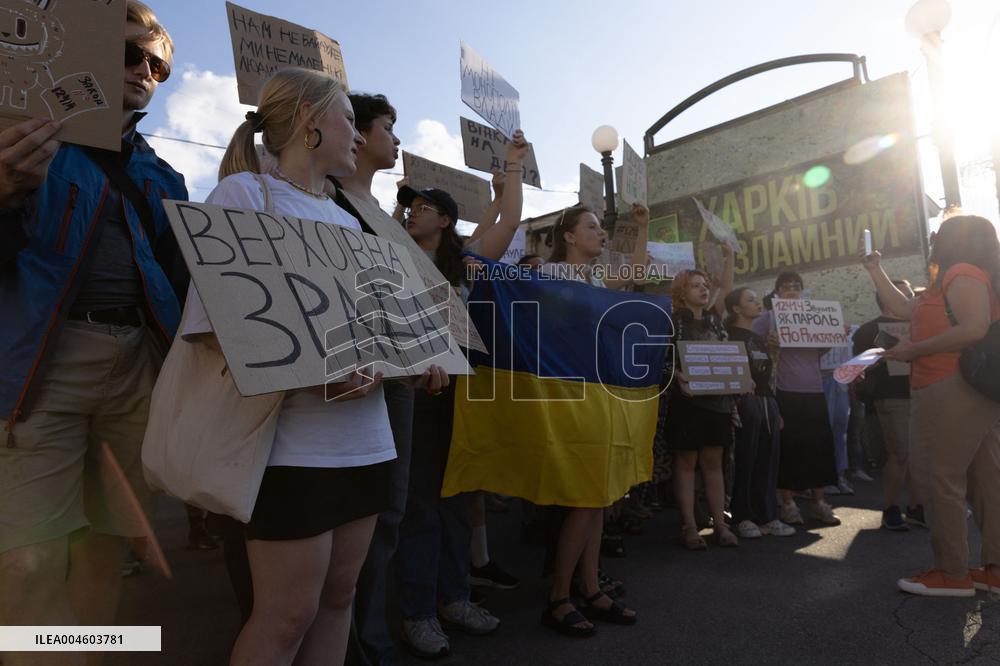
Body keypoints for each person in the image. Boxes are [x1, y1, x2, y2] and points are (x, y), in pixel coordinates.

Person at [183, 69, 448, 664]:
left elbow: (377, 332)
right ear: (309, 122)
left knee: (338, 600)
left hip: (368, 443)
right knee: (285, 616)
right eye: (348, 121)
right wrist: (312, 372)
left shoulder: (352, 221)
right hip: (290, 451)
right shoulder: (245, 196)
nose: (356, 134)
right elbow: (210, 328)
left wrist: (411, 361)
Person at [0, 4, 187, 661]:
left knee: (109, 548)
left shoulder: (164, 177)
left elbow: (190, 293)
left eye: (157, 64)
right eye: (129, 54)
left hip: (138, 368)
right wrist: (6, 191)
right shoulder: (19, 140)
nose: (145, 72)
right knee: (25, 562)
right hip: (37, 369)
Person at [393, 132, 527, 658]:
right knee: (420, 506)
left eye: (423, 208)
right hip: (414, 392)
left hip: (459, 393)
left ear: (444, 220)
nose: (412, 216)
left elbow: (509, 223)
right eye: (409, 208)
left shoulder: (465, 264)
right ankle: (417, 612)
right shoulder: (390, 254)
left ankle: (454, 597)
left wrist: (512, 168)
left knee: (454, 498)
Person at [863, 214, 1000, 597]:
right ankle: (993, 569)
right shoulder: (956, 278)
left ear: (957, 240)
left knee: (941, 478)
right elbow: (903, 307)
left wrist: (913, 350)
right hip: (967, 390)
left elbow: (973, 328)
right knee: (985, 477)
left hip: (948, 385)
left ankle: (952, 573)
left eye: (940, 231)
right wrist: (875, 270)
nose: (934, 236)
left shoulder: (963, 272)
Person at [329, 92, 418, 666]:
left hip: (400, 378)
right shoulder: (326, 204)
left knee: (388, 514)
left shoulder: (384, 217)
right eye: (389, 127)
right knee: (345, 521)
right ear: (358, 135)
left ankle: (369, 638)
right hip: (350, 378)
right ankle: (348, 645)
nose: (397, 139)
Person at [534, 203, 649, 637]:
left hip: (601, 393)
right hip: (569, 395)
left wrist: (641, 229)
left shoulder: (597, 280)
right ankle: (558, 597)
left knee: (598, 495)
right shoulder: (549, 277)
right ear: (567, 236)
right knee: (584, 496)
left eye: (602, 229)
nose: (601, 234)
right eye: (592, 227)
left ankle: (589, 585)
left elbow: (636, 273)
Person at [753, 272, 841, 526]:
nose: (791, 289)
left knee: (818, 447)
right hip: (785, 389)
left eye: (796, 286)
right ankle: (788, 503)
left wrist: (832, 335)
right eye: (785, 286)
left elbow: (821, 350)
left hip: (814, 389)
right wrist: (767, 343)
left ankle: (819, 502)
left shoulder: (813, 315)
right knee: (789, 448)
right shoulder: (768, 317)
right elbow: (750, 340)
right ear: (777, 291)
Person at [665, 251, 739, 550]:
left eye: (705, 284)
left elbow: (727, 288)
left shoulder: (714, 319)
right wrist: (675, 375)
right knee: (686, 463)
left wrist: (729, 257)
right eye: (696, 285)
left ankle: (720, 524)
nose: (704, 288)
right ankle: (689, 526)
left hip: (718, 403)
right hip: (688, 404)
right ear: (682, 293)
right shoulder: (671, 322)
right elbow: (662, 359)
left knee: (713, 462)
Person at [851, 279, 924, 531]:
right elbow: (859, 367)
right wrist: (882, 359)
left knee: (917, 455)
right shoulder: (868, 331)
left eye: (909, 293)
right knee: (900, 454)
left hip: (921, 392)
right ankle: (891, 509)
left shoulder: (918, 326)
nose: (909, 298)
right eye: (904, 295)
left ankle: (916, 508)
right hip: (892, 397)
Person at [724, 287, 796, 539]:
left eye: (756, 300)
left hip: (767, 403)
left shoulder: (757, 338)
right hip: (745, 404)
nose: (757, 304)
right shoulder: (728, 336)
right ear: (735, 308)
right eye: (750, 300)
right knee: (745, 459)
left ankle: (768, 516)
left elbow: (767, 375)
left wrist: (777, 409)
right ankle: (742, 517)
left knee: (768, 461)